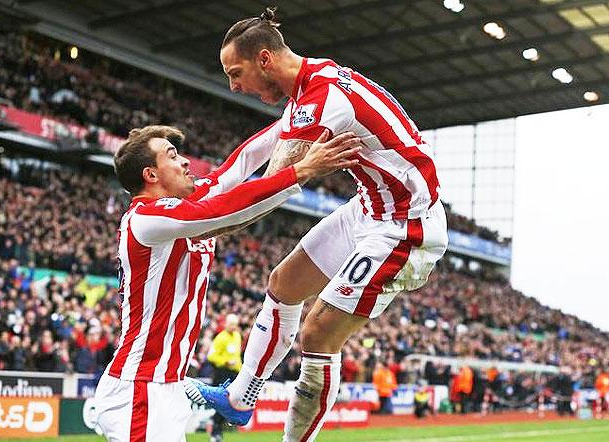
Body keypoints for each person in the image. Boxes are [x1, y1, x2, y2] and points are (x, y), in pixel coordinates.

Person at [186, 7, 448, 442]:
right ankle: (240, 398)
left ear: (264, 59)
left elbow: (273, 188)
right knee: (284, 283)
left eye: (236, 73)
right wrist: (210, 186)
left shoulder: (323, 98)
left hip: (406, 226)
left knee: (318, 332)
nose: (234, 86)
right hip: (370, 207)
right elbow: (259, 148)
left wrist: (199, 227)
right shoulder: (314, 79)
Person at [93, 124, 360, 442]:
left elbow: (242, 162)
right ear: (151, 175)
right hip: (141, 387)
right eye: (173, 156)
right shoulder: (145, 219)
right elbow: (226, 209)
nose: (186, 162)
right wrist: (301, 170)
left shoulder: (184, 206)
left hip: (163, 385)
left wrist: (296, 116)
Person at [207, 314, 243, 442]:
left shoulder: (238, 336)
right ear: (226, 324)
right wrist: (226, 361)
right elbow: (211, 356)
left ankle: (217, 429)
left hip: (234, 374)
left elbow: (237, 356)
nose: (234, 327)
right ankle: (215, 431)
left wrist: (240, 370)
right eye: (231, 324)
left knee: (231, 403)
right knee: (224, 403)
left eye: (235, 324)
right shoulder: (220, 338)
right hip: (222, 373)